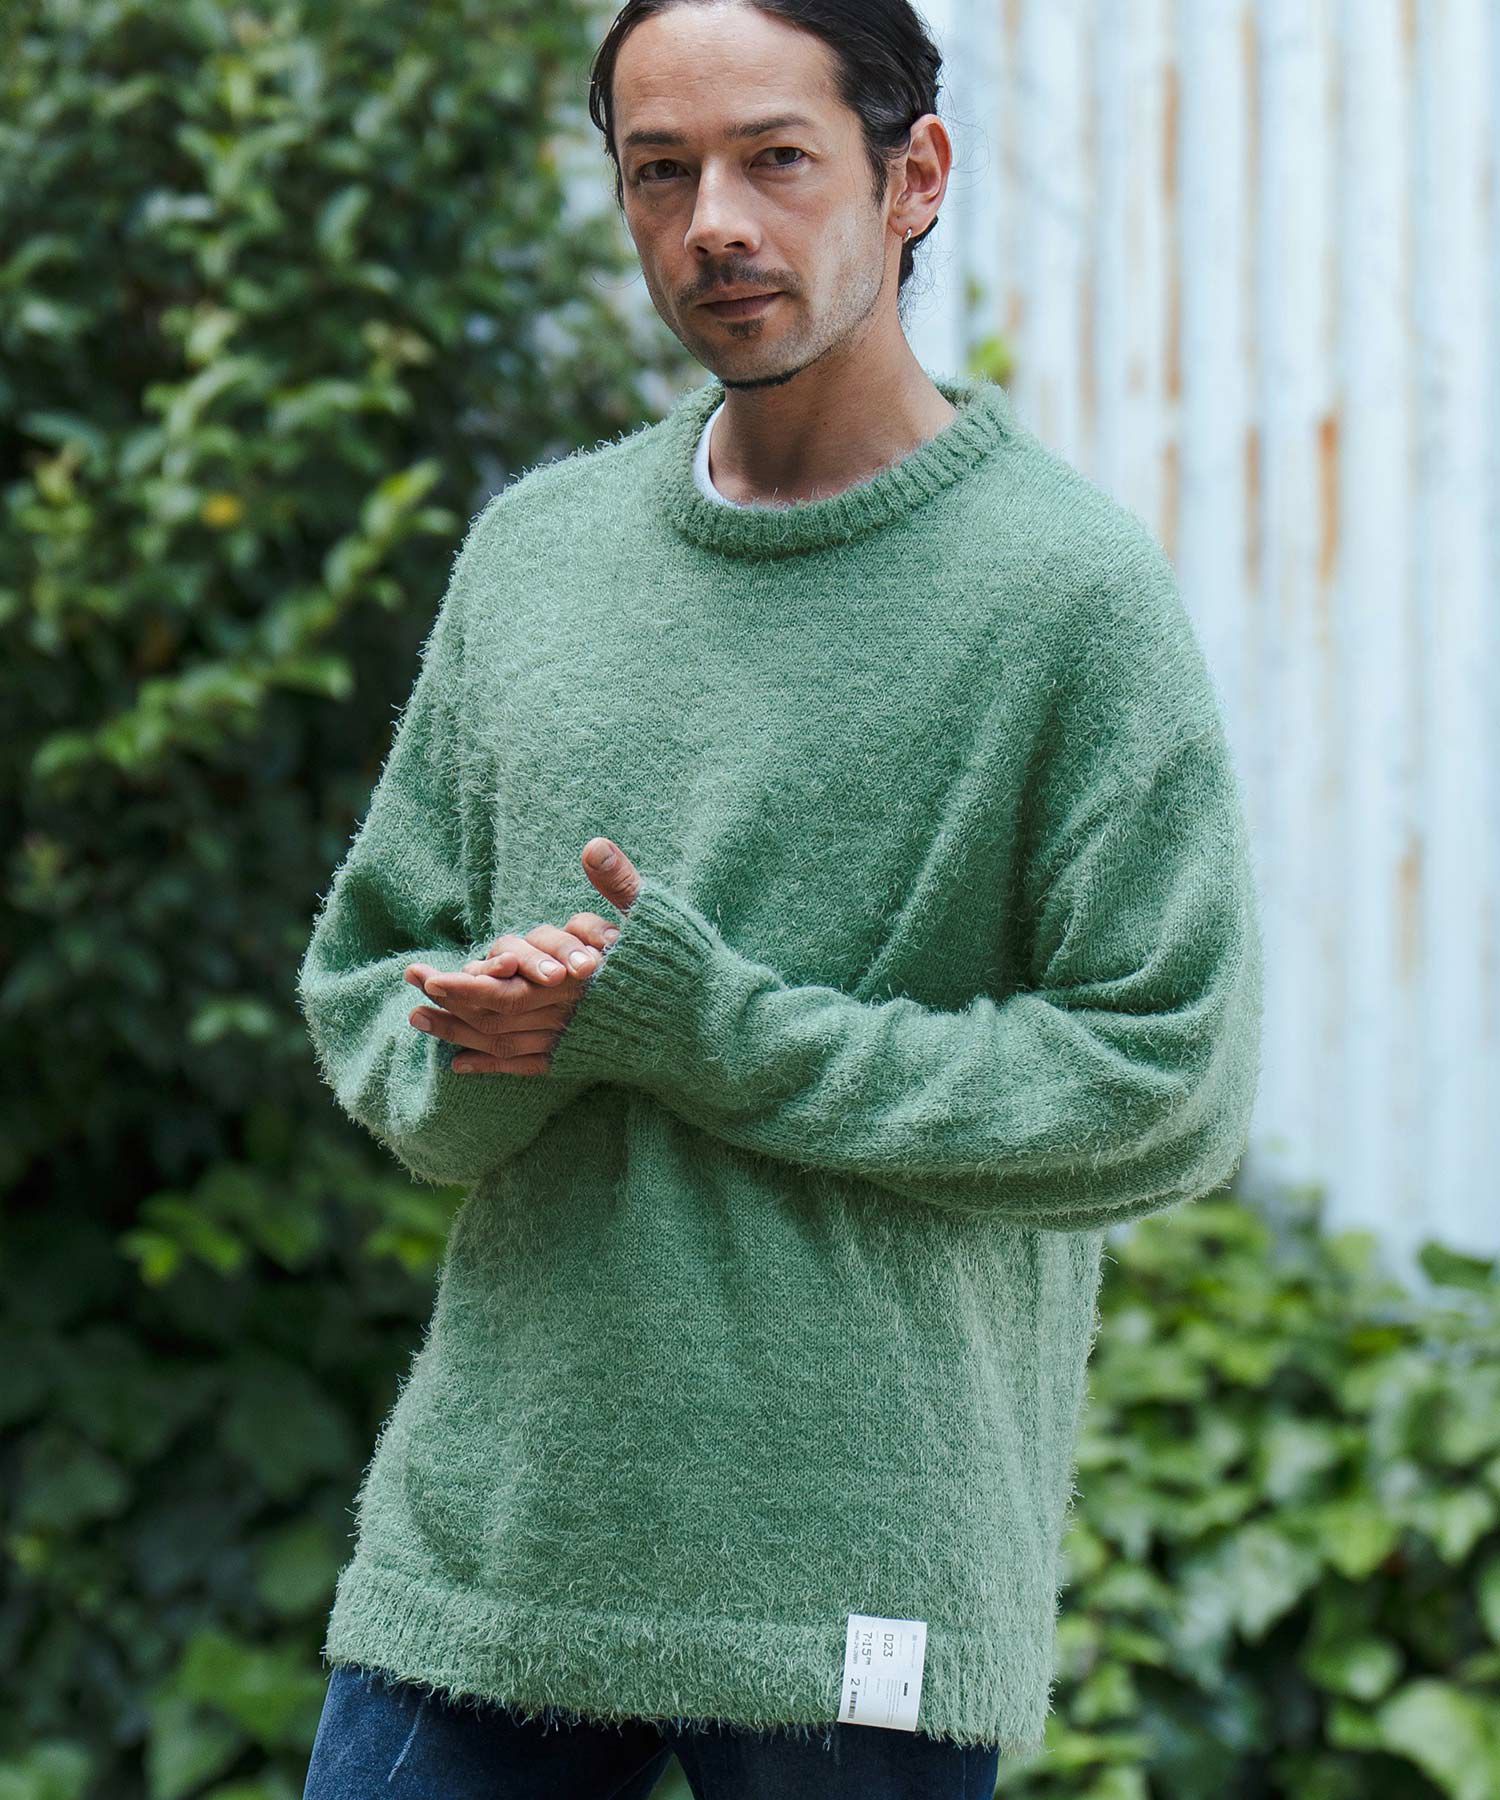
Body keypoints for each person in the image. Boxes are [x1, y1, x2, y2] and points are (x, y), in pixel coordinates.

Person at [296, 1, 1264, 1795]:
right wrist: (496, 1035)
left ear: (915, 176)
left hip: (863, 1567)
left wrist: (710, 1028)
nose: (714, 224)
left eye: (776, 160)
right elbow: (372, 981)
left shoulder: (1063, 592)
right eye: (659, 173)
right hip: (498, 1536)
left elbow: (1165, 1081)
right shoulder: (536, 556)